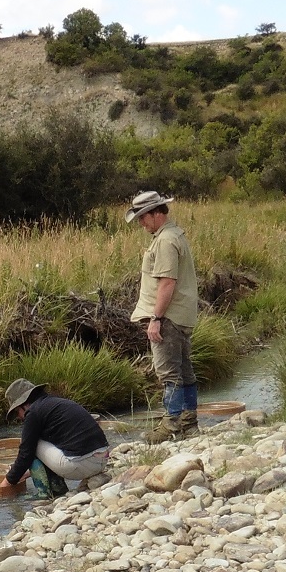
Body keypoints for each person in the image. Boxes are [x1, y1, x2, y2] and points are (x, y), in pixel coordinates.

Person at [126, 189, 199, 442]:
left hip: (168, 317)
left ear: (156, 213)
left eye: (143, 217)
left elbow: (167, 282)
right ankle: (189, 423)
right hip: (180, 315)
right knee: (184, 371)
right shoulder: (172, 235)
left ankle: (171, 425)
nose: (141, 223)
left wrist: (156, 318)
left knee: (168, 373)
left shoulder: (166, 240)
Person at [0, 378, 109, 497]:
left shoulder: (33, 413)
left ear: (23, 404)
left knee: (32, 442)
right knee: (36, 440)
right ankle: (58, 490)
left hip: (83, 464)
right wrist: (25, 473)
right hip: (102, 459)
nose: (19, 417)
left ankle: (45, 494)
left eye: (16, 412)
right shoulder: (54, 403)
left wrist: (6, 484)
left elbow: (26, 455)